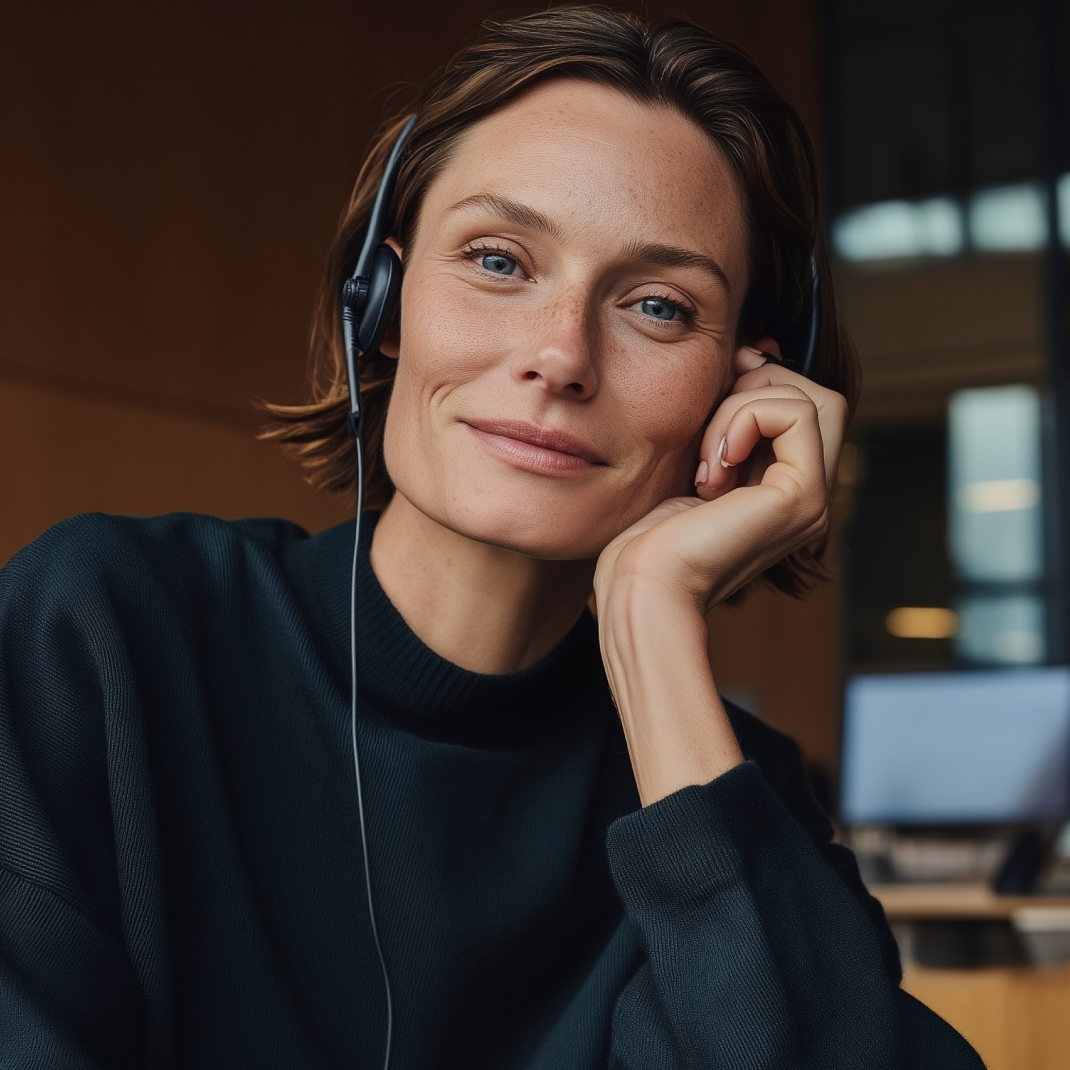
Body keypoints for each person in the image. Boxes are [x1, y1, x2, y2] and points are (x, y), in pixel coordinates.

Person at [0, 6, 982, 1068]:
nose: (559, 355)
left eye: (655, 305)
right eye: (498, 259)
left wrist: (651, 623)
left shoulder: (718, 796)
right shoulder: (98, 635)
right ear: (379, 301)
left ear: (741, 391)